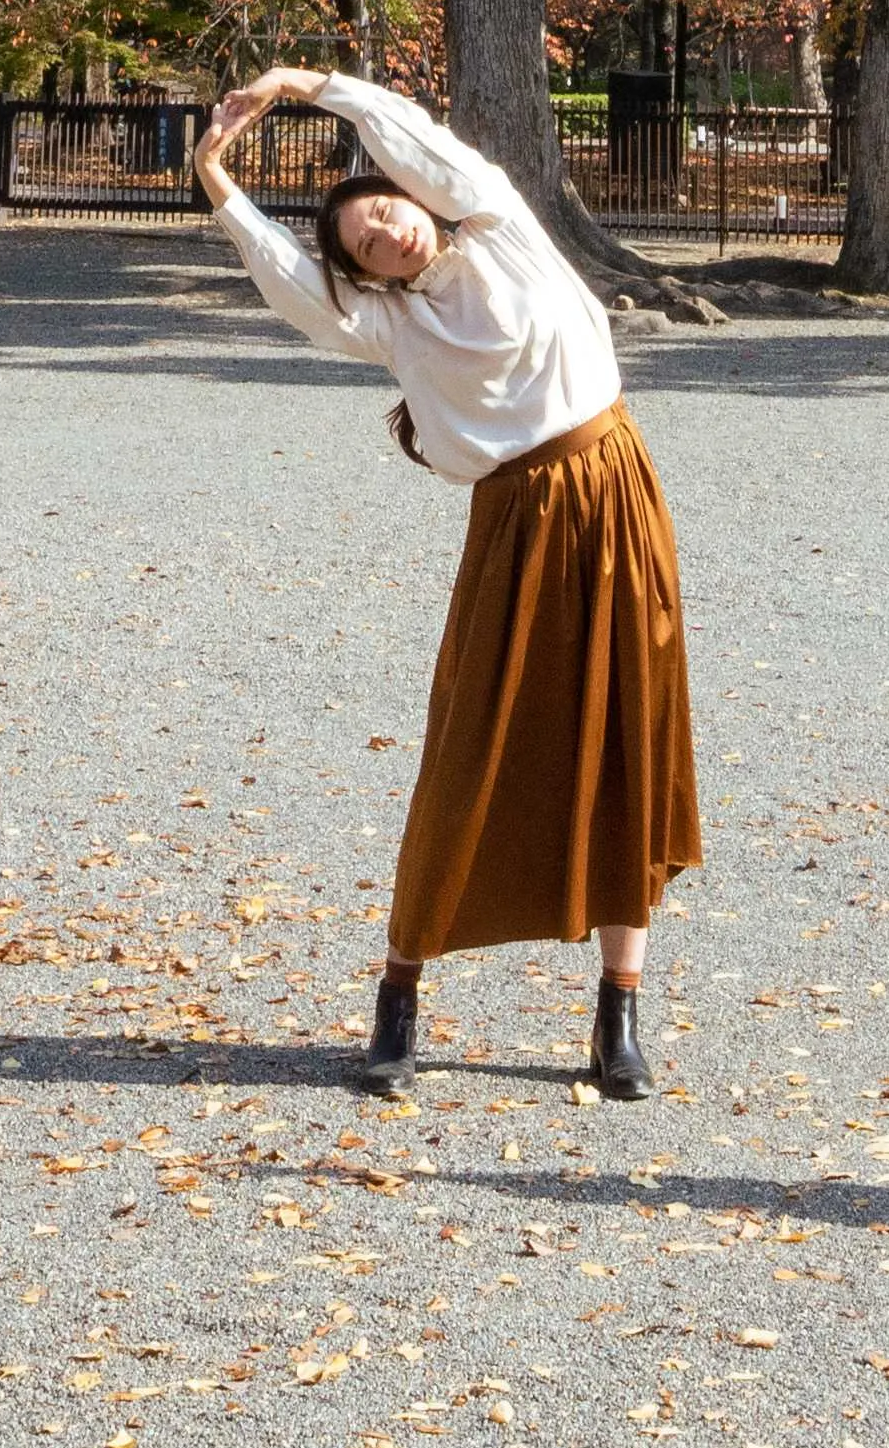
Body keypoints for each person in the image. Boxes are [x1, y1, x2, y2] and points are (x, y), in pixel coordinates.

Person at [196, 57, 698, 1099]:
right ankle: (399, 992)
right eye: (369, 240)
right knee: (473, 747)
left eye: (388, 209)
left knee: (624, 742)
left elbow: (416, 137)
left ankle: (619, 1012)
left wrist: (306, 82)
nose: (391, 229)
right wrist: (220, 184)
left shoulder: (499, 227)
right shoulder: (390, 324)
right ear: (368, 273)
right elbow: (298, 286)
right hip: (517, 520)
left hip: (617, 496)